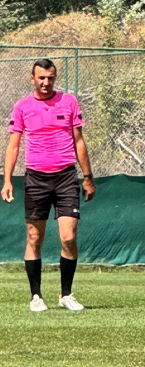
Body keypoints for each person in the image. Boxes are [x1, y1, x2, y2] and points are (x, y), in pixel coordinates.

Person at [2, 59, 96, 312]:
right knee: (34, 237)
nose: (46, 82)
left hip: (66, 178)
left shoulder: (69, 102)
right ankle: (36, 296)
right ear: (32, 78)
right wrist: (7, 179)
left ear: (55, 78)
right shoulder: (22, 107)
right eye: (41, 78)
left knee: (69, 237)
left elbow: (79, 141)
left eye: (51, 78)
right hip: (36, 179)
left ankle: (66, 294)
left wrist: (87, 177)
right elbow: (13, 145)